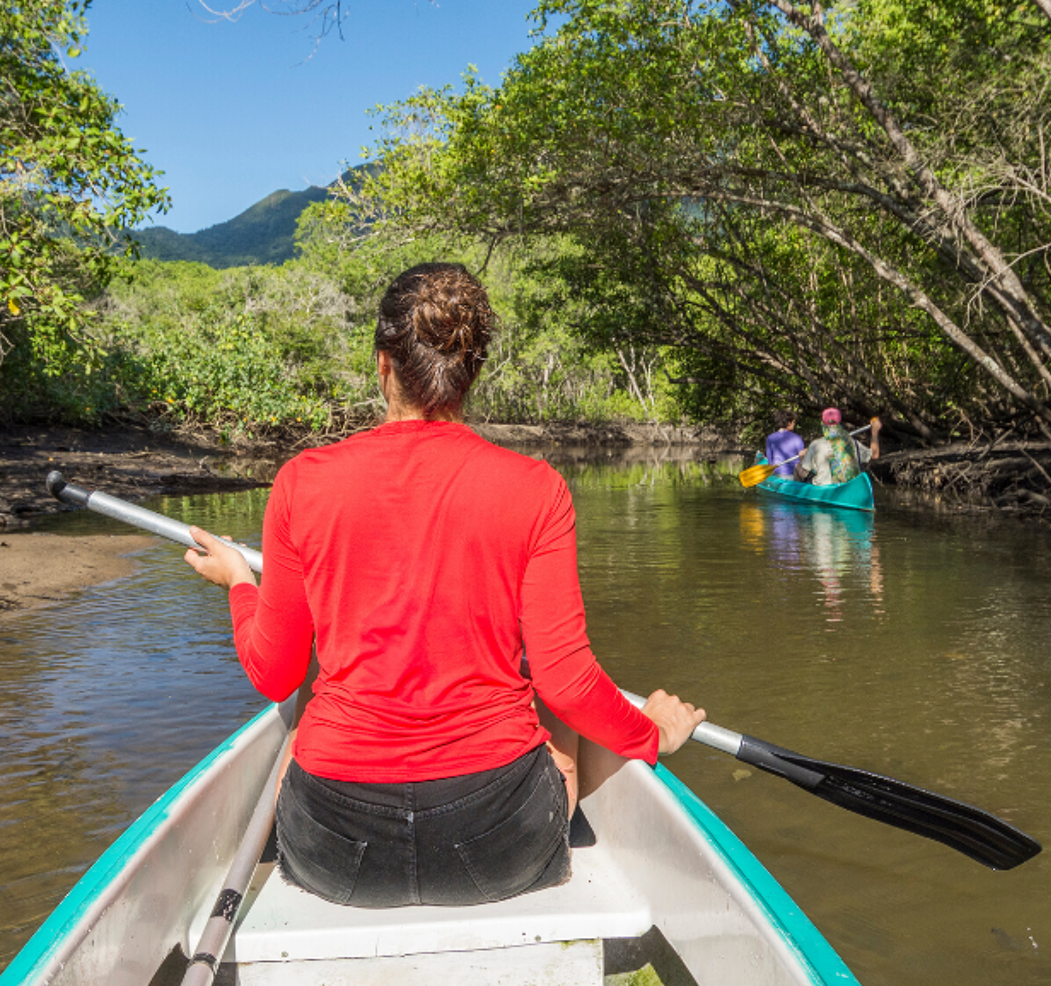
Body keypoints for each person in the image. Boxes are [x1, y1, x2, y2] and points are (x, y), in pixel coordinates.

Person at [181, 262, 706, 910]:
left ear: (383, 366)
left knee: (304, 717)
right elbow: (568, 683)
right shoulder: (537, 489)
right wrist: (652, 732)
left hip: (336, 850)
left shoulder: (301, 483)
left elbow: (273, 673)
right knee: (549, 702)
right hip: (495, 846)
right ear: (473, 373)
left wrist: (239, 581)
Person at [800, 408, 882, 486]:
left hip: (824, 488)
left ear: (823, 423)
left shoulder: (815, 445)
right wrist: (874, 432)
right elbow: (875, 455)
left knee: (798, 468)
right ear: (839, 422)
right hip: (848, 486)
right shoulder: (852, 442)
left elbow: (805, 470)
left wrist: (801, 457)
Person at [763, 412, 806, 478]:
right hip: (793, 476)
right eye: (793, 422)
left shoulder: (770, 438)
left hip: (777, 474)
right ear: (789, 423)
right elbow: (802, 458)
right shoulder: (797, 438)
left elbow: (770, 461)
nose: (794, 424)